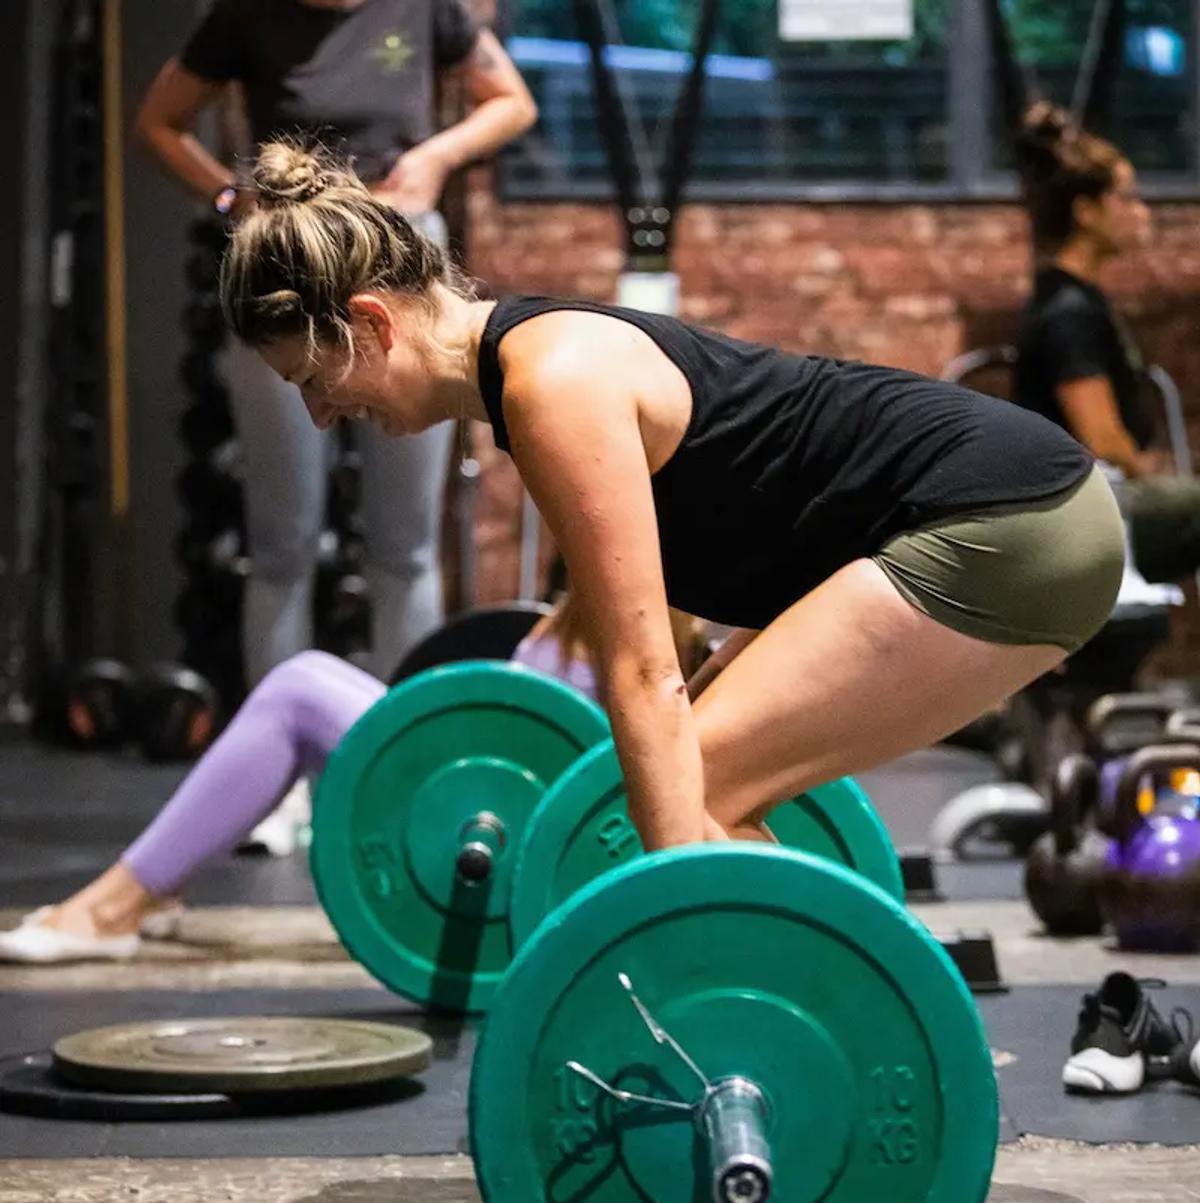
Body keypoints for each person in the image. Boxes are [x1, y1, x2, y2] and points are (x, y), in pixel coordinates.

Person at [214, 141, 1126, 854]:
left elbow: (643, 674)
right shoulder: (530, 369)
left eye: (314, 376)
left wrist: (658, 908)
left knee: (697, 788)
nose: (323, 414)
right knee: (700, 784)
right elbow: (686, 628)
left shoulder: (550, 385)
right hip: (1017, 511)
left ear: (371, 324)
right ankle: (846, 1030)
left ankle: (855, 1037)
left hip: (1004, 525)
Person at [136, 0, 537, 683]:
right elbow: (158, 123)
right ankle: (284, 765)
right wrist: (230, 201)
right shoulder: (246, 16)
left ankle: (398, 764)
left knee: (404, 545)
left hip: (397, 259)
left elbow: (511, 102)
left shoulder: (422, 8)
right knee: (281, 543)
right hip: (289, 267)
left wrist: (435, 157)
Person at [0, 605, 602, 963]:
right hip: (501, 784)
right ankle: (142, 893)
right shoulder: (610, 560)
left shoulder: (663, 592)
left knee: (298, 693)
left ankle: (114, 910)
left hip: (540, 834)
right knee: (306, 680)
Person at [1013, 103, 1159, 482]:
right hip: (1090, 498)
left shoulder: (1076, 299)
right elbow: (1102, 440)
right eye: (1127, 198)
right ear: (1087, 212)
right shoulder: (1069, 312)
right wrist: (1153, 475)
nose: (1142, 213)